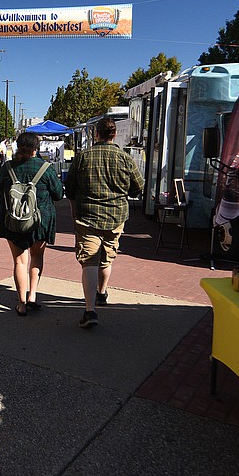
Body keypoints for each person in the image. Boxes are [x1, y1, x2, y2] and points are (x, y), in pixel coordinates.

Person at [64, 117, 144, 329]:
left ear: (96, 134)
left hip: (87, 216)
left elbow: (69, 188)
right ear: (114, 135)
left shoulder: (83, 157)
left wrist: (74, 209)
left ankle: (90, 311)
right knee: (107, 259)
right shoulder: (125, 158)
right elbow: (138, 187)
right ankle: (102, 293)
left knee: (89, 261)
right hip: (116, 217)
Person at [0, 132, 63, 316]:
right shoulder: (46, 168)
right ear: (36, 148)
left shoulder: (8, 167)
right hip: (40, 220)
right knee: (36, 257)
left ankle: (21, 304)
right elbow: (58, 195)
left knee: (19, 261)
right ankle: (32, 296)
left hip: (13, 221)